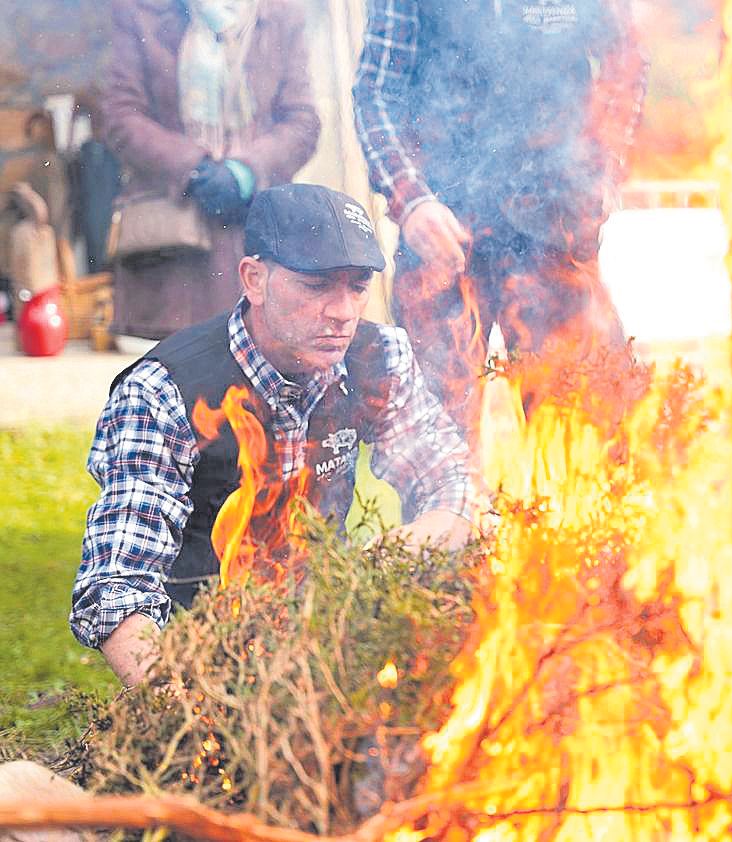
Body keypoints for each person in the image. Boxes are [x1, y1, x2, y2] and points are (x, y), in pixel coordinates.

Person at [71, 184, 483, 687]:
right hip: (201, 656)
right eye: (317, 286)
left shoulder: (380, 356)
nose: (344, 311)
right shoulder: (163, 391)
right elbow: (117, 586)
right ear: (255, 279)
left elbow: (451, 476)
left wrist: (418, 538)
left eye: (357, 286)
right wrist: (179, 709)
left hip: (334, 640)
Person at [352, 0, 648, 442]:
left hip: (554, 230)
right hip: (443, 236)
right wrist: (410, 200)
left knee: (587, 429)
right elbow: (377, 94)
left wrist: (604, 168)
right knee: (440, 442)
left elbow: (625, 63)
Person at [102, 0, 321, 341]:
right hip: (175, 246)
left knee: (261, 358)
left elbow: (302, 122)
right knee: (178, 369)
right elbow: (120, 116)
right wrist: (192, 165)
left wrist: (245, 171)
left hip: (254, 229)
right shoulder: (142, 11)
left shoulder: (281, 12)